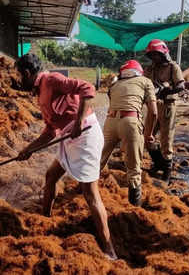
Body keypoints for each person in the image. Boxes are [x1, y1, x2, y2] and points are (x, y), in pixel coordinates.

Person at [16, 54, 117, 260]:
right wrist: (29, 148)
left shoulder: (51, 80)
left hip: (85, 135)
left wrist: (79, 122)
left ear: (27, 73)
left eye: (19, 76)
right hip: (68, 138)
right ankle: (46, 219)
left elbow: (88, 89)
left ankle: (109, 248)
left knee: (89, 192)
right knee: (51, 176)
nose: (18, 81)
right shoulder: (40, 93)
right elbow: (50, 132)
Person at [100, 60, 158, 206]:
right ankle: (134, 208)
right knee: (133, 169)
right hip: (130, 122)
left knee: (97, 162)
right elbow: (154, 112)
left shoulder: (114, 85)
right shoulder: (146, 81)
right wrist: (148, 134)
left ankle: (84, 193)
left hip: (110, 122)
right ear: (139, 72)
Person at [144, 39, 185, 181]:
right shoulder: (149, 69)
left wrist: (167, 91)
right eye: (152, 55)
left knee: (166, 140)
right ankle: (159, 163)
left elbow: (181, 86)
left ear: (163, 53)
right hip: (153, 106)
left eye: (157, 54)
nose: (155, 57)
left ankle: (167, 170)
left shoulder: (173, 67)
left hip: (168, 105)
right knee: (147, 137)